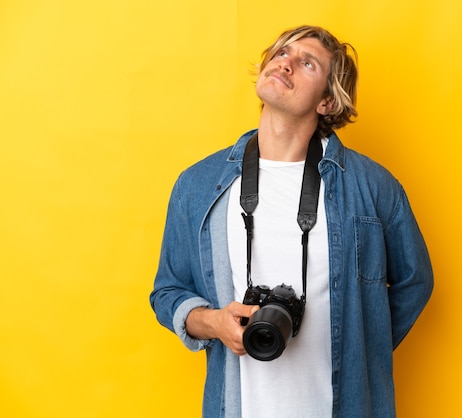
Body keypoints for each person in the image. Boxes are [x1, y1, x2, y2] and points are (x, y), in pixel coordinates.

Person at [150, 25, 433, 418]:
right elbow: (168, 291)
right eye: (281, 53)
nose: (285, 63)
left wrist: (362, 347)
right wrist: (213, 322)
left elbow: (416, 281)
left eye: (307, 63)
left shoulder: (373, 187)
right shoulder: (197, 185)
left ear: (328, 103)